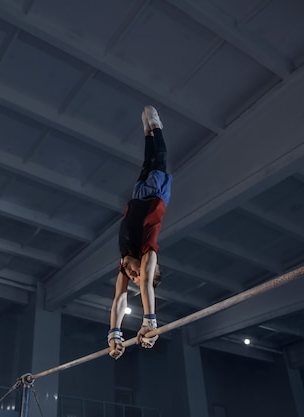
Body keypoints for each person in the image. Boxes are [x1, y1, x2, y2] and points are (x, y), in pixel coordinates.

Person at [107, 105, 172, 360]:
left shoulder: (123, 265)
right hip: (155, 196)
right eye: (139, 273)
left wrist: (114, 333)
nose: (133, 274)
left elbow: (119, 300)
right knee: (161, 156)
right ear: (150, 267)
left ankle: (147, 132)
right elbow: (145, 283)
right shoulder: (148, 252)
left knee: (147, 161)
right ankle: (156, 127)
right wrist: (149, 321)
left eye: (132, 277)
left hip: (136, 196)